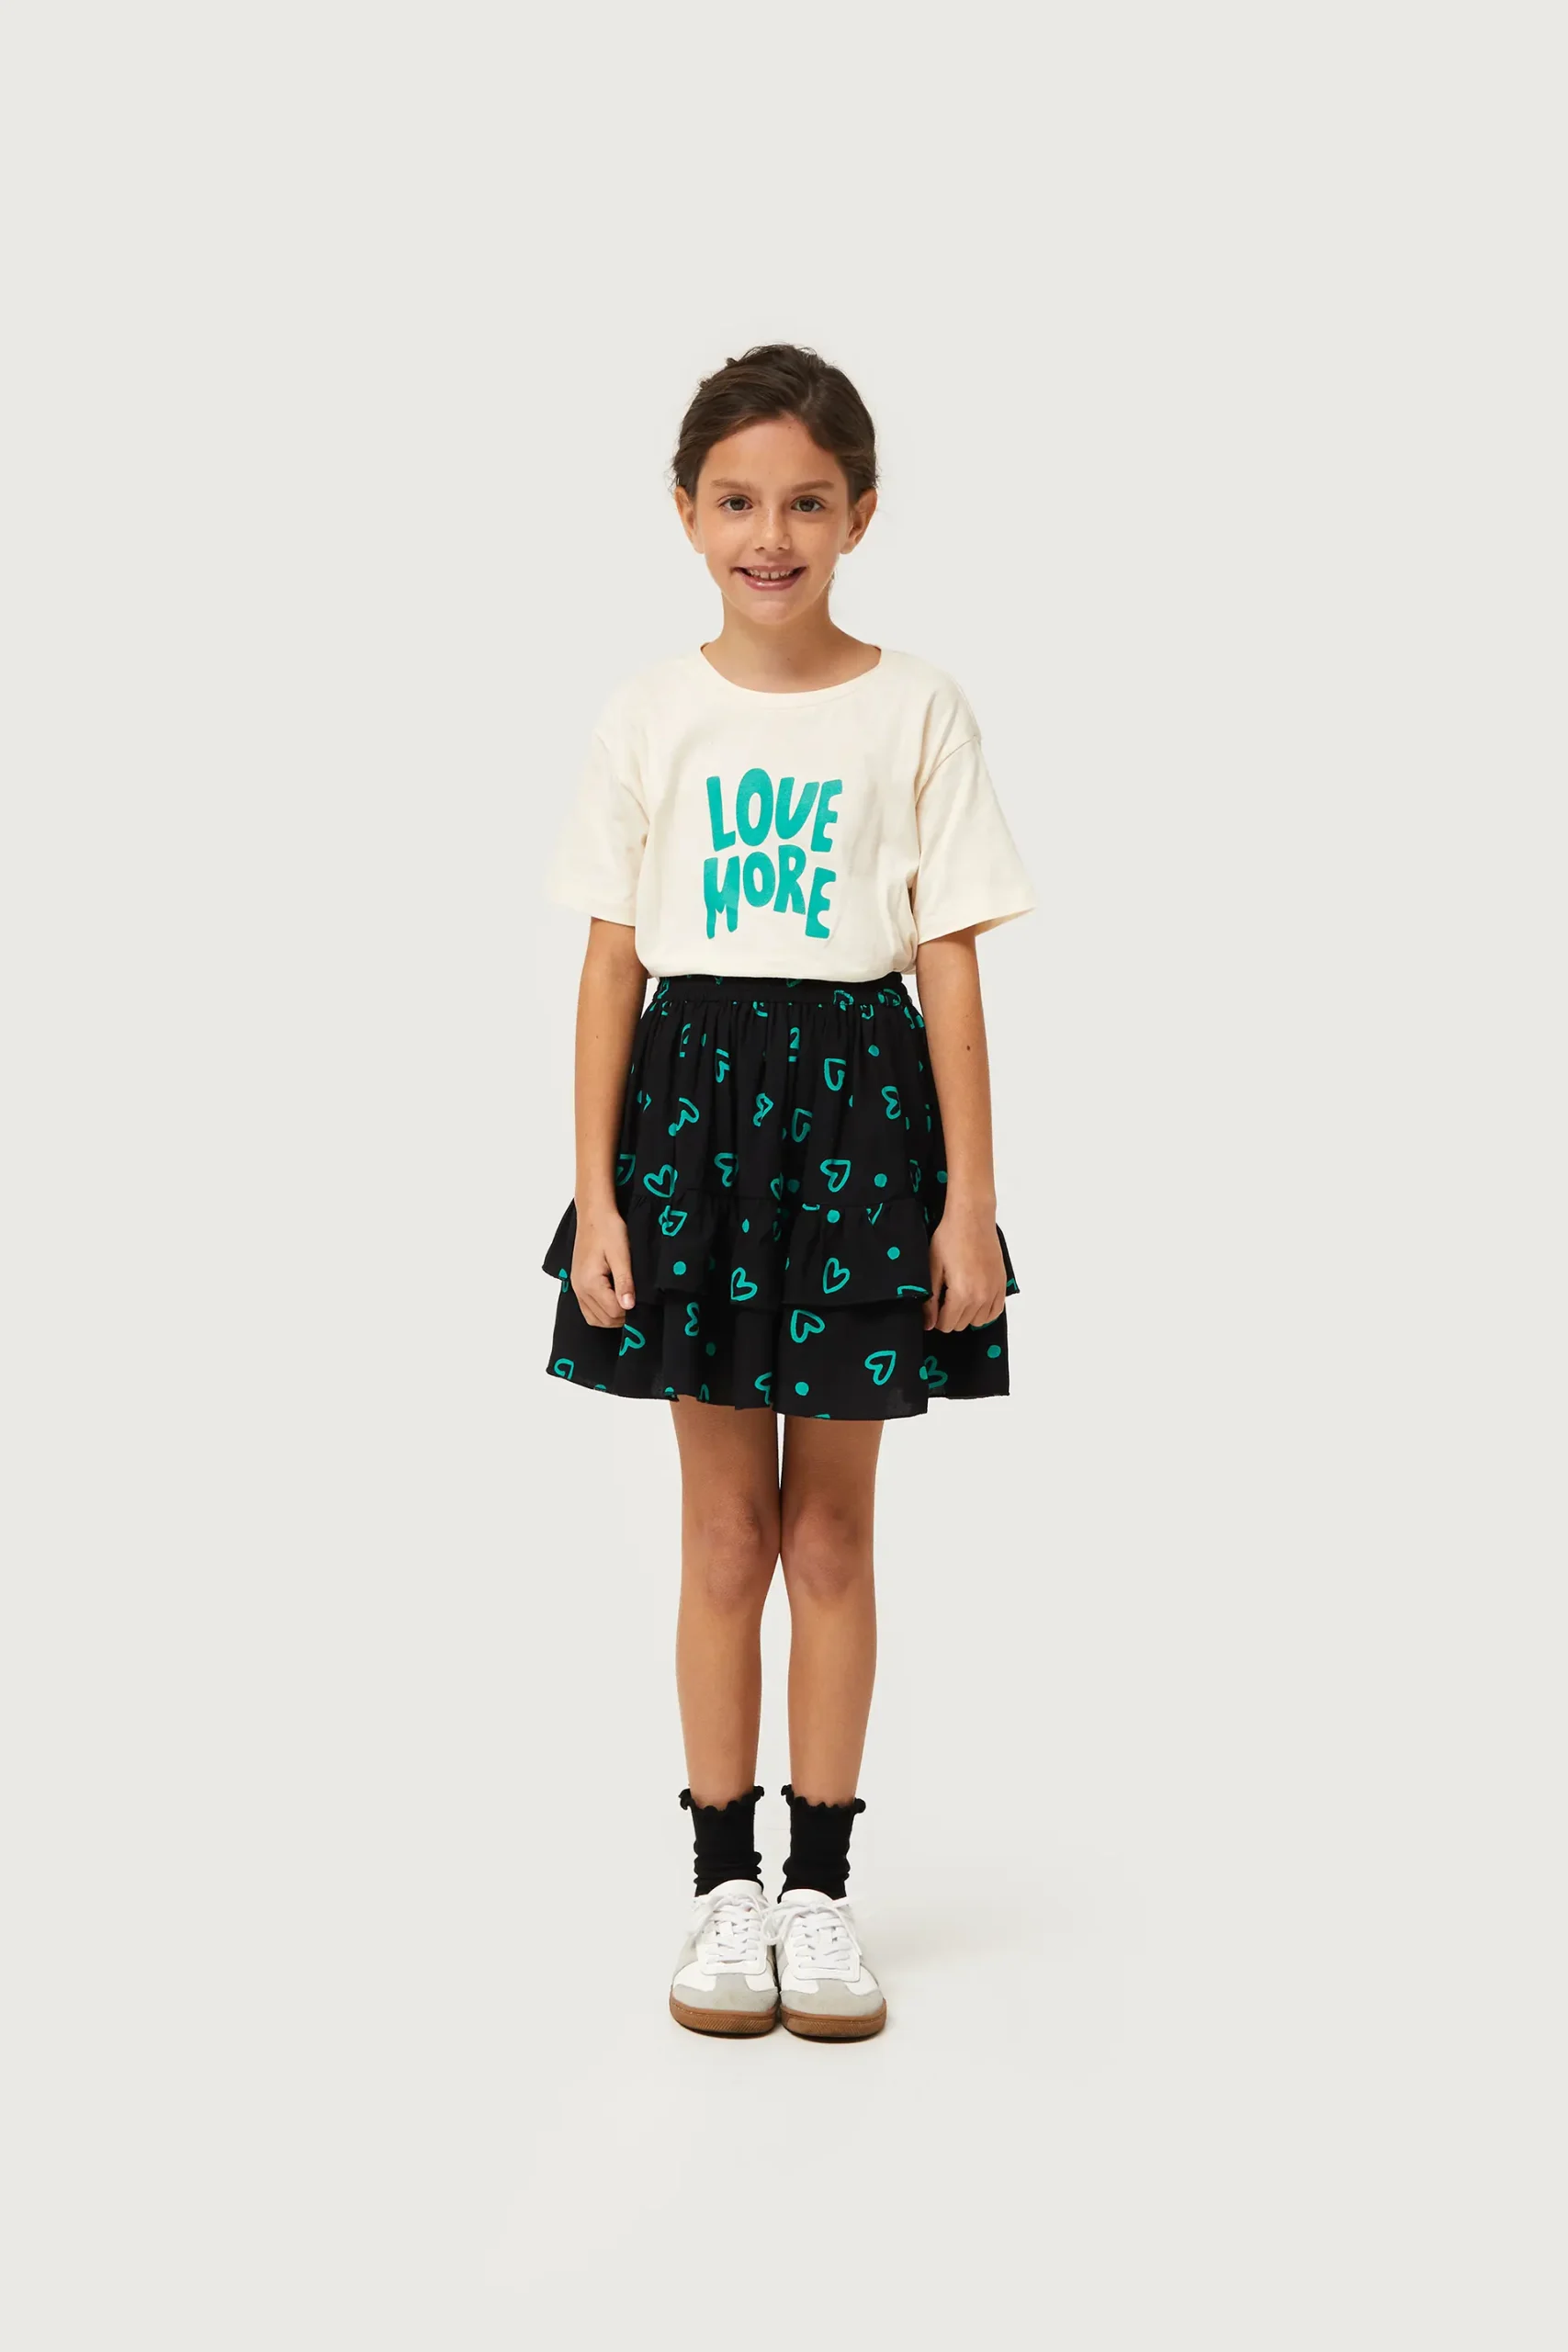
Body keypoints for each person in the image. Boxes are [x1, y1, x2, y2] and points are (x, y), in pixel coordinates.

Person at [540, 343, 1035, 2041]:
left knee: (828, 1531)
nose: (771, 535)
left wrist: (968, 1204)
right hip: (690, 1126)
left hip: (857, 1128)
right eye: (738, 501)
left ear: (861, 515)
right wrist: (596, 1196)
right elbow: (610, 966)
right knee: (722, 1531)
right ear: (685, 513)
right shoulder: (646, 714)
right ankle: (719, 1888)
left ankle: (819, 1890)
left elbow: (950, 962)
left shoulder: (918, 708)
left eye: (807, 503)